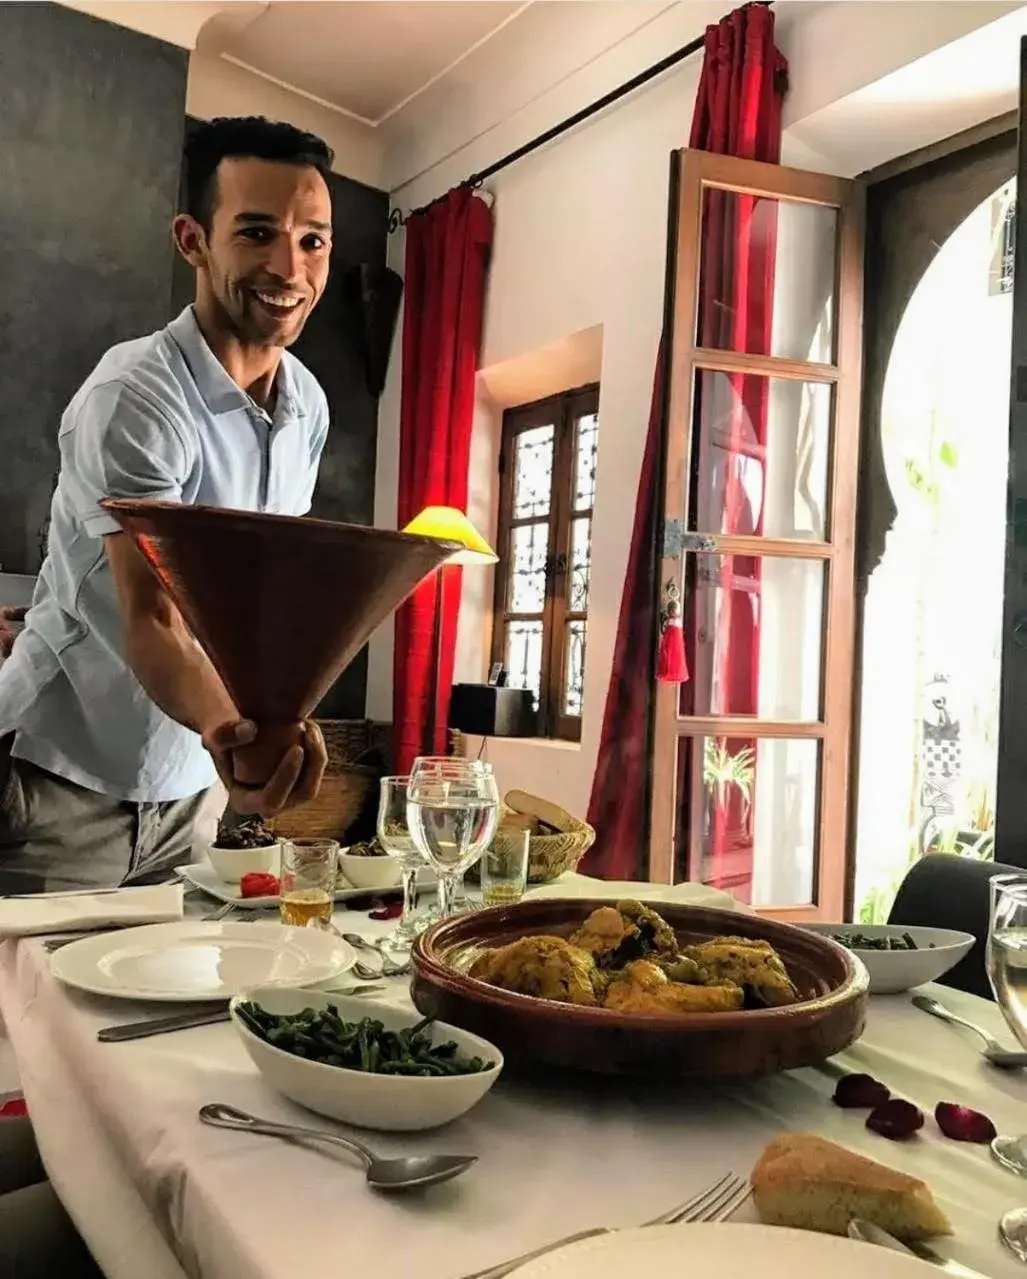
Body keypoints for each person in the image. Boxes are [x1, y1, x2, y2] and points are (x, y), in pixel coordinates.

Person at [0, 116, 337, 895]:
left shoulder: (308, 406)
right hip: (56, 779)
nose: (290, 267)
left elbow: (259, 598)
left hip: (190, 788)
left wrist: (264, 738)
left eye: (312, 240)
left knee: (162, 1015)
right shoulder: (137, 395)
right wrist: (240, 735)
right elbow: (155, 615)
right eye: (257, 233)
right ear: (193, 240)